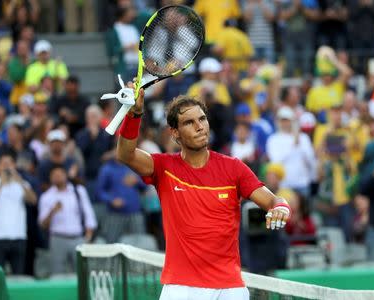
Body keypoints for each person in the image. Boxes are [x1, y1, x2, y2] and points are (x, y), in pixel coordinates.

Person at [114, 82, 291, 299]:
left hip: (230, 289)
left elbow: (272, 201)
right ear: (175, 133)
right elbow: (125, 155)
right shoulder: (163, 167)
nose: (199, 126)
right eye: (189, 122)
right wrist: (134, 115)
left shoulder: (233, 167)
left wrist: (281, 207)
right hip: (181, 288)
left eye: (202, 119)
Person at [38, 165, 97, 274]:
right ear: (50, 178)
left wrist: (88, 237)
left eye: (59, 174)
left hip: (78, 238)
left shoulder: (79, 191)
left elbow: (88, 214)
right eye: (54, 175)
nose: (57, 177)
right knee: (57, 273)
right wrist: (52, 211)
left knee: (82, 273)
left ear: (66, 175)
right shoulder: (46, 197)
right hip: (57, 238)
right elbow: (43, 224)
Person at [0, 150, 37, 274]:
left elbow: (33, 200)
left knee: (19, 276)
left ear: (14, 166)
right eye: (3, 164)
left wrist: (19, 180)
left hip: (19, 236)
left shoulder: (22, 184)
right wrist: (0, 186)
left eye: (9, 164)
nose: (6, 167)